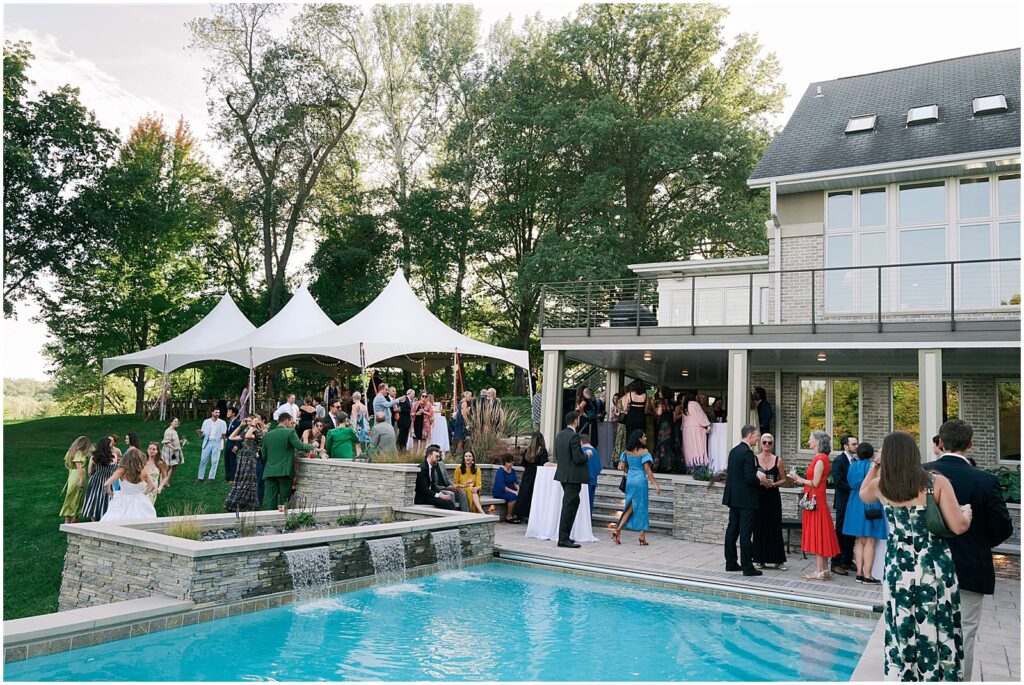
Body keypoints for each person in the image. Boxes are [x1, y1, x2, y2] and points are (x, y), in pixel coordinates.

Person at [861, 431, 972, 681]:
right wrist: (967, 513)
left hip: (898, 566)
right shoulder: (936, 482)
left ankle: (906, 674)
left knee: (903, 619)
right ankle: (936, 674)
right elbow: (958, 526)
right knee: (936, 618)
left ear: (886, 456)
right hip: (933, 565)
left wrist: (875, 466)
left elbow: (862, 495)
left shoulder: (881, 485)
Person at [924, 419, 1014, 681]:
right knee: (962, 636)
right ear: (971, 444)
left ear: (940, 443)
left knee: (925, 632)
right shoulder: (985, 480)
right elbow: (1002, 527)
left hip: (925, 567)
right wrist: (978, 543)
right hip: (970, 569)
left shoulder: (920, 473)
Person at [788, 430, 841, 581]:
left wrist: (799, 478)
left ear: (817, 441)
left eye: (810, 438)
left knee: (819, 534)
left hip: (816, 501)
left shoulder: (820, 459)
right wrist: (800, 481)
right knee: (820, 533)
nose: (808, 441)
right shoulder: (820, 458)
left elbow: (815, 483)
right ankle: (823, 570)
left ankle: (820, 570)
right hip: (816, 499)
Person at [723, 425, 768, 576]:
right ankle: (747, 567)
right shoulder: (747, 453)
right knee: (745, 532)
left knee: (732, 530)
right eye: (756, 436)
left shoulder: (734, 451)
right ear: (750, 435)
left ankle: (730, 563)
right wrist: (760, 480)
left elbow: (736, 474)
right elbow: (749, 479)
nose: (757, 439)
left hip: (734, 497)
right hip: (746, 499)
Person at [842, 441, 885, 585]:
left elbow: (848, 481)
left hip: (854, 501)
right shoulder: (874, 467)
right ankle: (868, 575)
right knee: (870, 540)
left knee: (859, 540)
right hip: (869, 501)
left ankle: (859, 572)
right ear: (872, 454)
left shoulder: (852, 466)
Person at [612, 429, 662, 546]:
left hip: (630, 480)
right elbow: (647, 469)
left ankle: (618, 530)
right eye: (644, 437)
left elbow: (623, 466)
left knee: (630, 507)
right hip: (640, 481)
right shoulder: (644, 452)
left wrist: (630, 473)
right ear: (639, 439)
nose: (646, 438)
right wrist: (655, 484)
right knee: (642, 507)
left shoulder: (626, 452)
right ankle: (642, 537)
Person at [261, 413, 319, 510]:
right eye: (291, 422)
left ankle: (270, 521)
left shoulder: (267, 435)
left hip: (269, 472)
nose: (292, 424)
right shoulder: (290, 432)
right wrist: (313, 445)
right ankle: (283, 521)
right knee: (285, 500)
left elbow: (264, 455)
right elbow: (300, 446)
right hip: (285, 472)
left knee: (271, 500)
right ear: (286, 421)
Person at [554, 410, 589, 547]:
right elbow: (578, 458)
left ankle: (565, 536)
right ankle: (563, 538)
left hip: (563, 475)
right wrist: (587, 455)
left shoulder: (560, 435)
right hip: (573, 476)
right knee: (569, 506)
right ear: (576, 421)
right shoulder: (574, 437)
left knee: (572, 503)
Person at [752, 433, 787, 570]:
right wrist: (760, 482)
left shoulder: (778, 460)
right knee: (759, 526)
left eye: (769, 443)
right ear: (761, 444)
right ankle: (759, 559)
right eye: (764, 442)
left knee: (774, 526)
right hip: (759, 495)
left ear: (772, 445)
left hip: (773, 495)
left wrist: (774, 484)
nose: (766, 445)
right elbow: (751, 476)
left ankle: (778, 560)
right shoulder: (755, 459)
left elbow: (784, 479)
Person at [100, 447, 158, 521]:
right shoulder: (143, 471)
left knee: (116, 518)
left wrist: (110, 493)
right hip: (139, 498)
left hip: (123, 499)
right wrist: (143, 494)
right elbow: (152, 486)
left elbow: (106, 485)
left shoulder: (122, 471)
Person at [830, 435, 858, 576]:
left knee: (851, 532)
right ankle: (835, 562)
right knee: (840, 532)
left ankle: (847, 560)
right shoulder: (839, 461)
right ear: (845, 446)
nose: (856, 446)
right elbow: (838, 482)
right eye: (853, 444)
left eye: (857, 444)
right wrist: (854, 488)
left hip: (854, 502)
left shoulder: (856, 461)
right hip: (843, 502)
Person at [225, 415, 265, 512]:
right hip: (243, 459)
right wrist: (240, 426)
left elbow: (248, 436)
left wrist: (253, 425)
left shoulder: (258, 432)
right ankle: (238, 503)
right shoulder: (248, 430)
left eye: (250, 421)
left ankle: (249, 504)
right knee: (240, 481)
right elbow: (231, 437)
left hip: (252, 460)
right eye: (247, 421)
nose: (248, 423)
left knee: (249, 482)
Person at [513, 432, 549, 521]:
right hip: (537, 474)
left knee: (524, 494)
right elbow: (544, 463)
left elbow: (523, 464)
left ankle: (519, 514)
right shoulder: (542, 451)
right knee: (534, 495)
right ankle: (531, 516)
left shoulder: (527, 450)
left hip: (527, 474)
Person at [82, 437, 116, 521]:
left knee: (94, 498)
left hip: (95, 480)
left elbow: (89, 471)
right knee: (106, 499)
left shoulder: (94, 457)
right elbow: (115, 470)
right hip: (108, 480)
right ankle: (104, 516)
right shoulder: (114, 456)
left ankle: (93, 518)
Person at [59, 436, 92, 524]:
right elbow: (79, 467)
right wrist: (81, 480)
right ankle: (69, 519)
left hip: (72, 475)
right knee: (74, 496)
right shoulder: (79, 453)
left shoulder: (71, 452)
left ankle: (74, 518)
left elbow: (67, 464)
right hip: (78, 475)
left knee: (76, 496)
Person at [415, 446, 457, 510]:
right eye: (436, 456)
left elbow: (433, 486)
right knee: (446, 503)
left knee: (448, 500)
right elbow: (423, 489)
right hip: (422, 497)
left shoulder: (432, 467)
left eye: (439, 456)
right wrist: (439, 495)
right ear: (430, 455)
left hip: (430, 495)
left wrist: (441, 494)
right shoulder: (422, 468)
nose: (438, 458)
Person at [680, 390, 711, 472]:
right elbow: (701, 416)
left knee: (688, 448)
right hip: (695, 429)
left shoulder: (685, 405)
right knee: (697, 447)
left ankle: (689, 466)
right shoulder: (695, 404)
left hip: (686, 429)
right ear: (695, 396)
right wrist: (707, 425)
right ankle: (698, 466)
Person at [196, 407, 228, 482]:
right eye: (216, 412)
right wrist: (200, 433)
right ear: (212, 413)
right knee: (203, 460)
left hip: (217, 443)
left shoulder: (222, 422)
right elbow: (202, 434)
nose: (217, 414)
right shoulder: (206, 422)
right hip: (207, 443)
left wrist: (224, 437)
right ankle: (200, 477)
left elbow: (225, 434)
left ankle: (211, 477)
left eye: (218, 413)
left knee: (214, 461)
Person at [653, 397, 678, 473]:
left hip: (663, 425)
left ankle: (660, 465)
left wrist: (653, 406)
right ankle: (669, 465)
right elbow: (674, 418)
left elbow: (659, 413)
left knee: (661, 445)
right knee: (668, 445)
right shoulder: (671, 403)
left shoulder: (661, 402)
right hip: (669, 425)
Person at [492, 455, 520, 521]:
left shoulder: (512, 471)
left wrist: (519, 490)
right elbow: (502, 486)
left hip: (510, 490)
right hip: (500, 491)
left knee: (521, 495)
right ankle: (508, 516)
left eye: (511, 462)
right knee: (513, 496)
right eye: (508, 462)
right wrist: (514, 492)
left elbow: (515, 483)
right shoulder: (500, 471)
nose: (511, 464)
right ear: (505, 463)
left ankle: (516, 514)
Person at [160, 417, 186, 488]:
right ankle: (162, 481)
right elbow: (166, 442)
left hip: (175, 452)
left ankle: (166, 480)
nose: (177, 423)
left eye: (177, 421)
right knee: (166, 466)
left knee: (174, 466)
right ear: (171, 422)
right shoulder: (168, 431)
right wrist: (173, 448)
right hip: (169, 451)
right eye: (175, 421)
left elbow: (174, 440)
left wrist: (181, 441)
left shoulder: (174, 431)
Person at [581, 431, 601, 515]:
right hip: (593, 480)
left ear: (581, 442)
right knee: (590, 502)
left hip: (584, 480)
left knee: (582, 504)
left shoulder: (581, 450)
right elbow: (598, 468)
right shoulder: (595, 451)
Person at [224, 406, 242, 483]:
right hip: (228, 444)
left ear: (233, 413)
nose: (227, 413)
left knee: (232, 461)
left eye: (229, 411)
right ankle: (227, 478)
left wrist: (237, 445)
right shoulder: (229, 422)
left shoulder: (238, 422)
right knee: (227, 461)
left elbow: (240, 434)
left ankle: (232, 478)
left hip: (233, 444)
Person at [452, 390, 472, 456]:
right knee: (461, 440)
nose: (470, 398)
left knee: (459, 440)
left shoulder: (460, 402)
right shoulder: (464, 403)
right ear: (465, 396)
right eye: (469, 396)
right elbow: (464, 415)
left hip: (458, 422)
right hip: (461, 423)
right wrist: (467, 423)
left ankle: (456, 454)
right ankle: (458, 456)